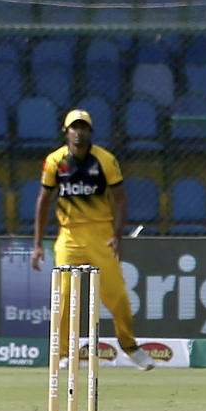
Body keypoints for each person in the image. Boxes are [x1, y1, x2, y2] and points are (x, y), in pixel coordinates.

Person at [30, 109, 155, 371]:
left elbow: (120, 198)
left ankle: (130, 346)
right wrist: (38, 244)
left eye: (83, 127)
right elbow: (43, 202)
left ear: (90, 132)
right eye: (74, 127)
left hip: (101, 235)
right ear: (66, 132)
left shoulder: (105, 160)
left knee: (117, 296)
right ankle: (64, 353)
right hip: (69, 236)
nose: (79, 132)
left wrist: (117, 235)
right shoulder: (55, 162)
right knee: (63, 295)